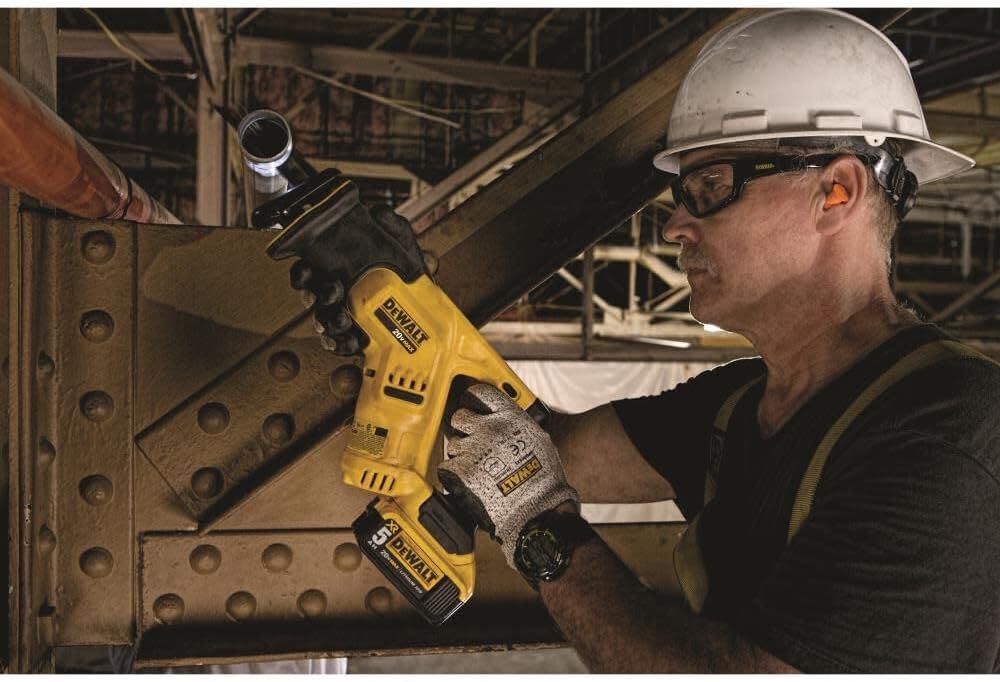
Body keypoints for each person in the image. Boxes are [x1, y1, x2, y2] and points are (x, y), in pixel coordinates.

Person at [297, 8, 999, 673]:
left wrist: (541, 528)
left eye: (710, 186)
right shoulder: (738, 405)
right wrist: (403, 326)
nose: (674, 226)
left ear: (836, 192)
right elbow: (531, 448)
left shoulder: (946, 431)